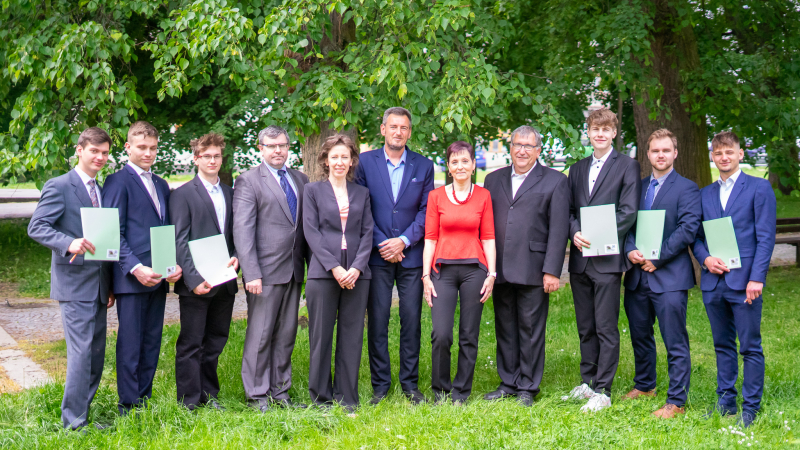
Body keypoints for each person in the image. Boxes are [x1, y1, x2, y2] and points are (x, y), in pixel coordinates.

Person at [27, 127, 114, 430]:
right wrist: (68, 243)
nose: (100, 157)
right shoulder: (60, 185)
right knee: (81, 355)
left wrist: (110, 284)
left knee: (95, 355)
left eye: (105, 153)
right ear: (80, 150)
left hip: (99, 285)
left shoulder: (100, 189)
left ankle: (82, 414)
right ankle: (73, 423)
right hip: (74, 283)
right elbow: (37, 227)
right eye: (94, 151)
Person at [693, 131, 776, 428]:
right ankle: (725, 402)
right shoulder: (704, 194)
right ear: (713, 157)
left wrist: (757, 278)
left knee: (750, 346)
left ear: (740, 154)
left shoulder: (758, 188)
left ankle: (750, 407)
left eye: (729, 152)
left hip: (745, 284)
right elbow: (697, 237)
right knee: (722, 345)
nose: (724, 157)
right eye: (718, 153)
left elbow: (765, 238)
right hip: (714, 283)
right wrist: (705, 259)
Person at [482, 126, 569, 407]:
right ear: (511, 147)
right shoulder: (492, 180)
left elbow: (559, 229)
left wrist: (552, 270)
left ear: (538, 151)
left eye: (528, 146)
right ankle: (508, 382)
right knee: (505, 327)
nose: (522, 150)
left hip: (534, 267)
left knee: (531, 329)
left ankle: (528, 387)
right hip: (501, 267)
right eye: (518, 144)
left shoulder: (555, 181)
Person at [355, 107, 435, 404]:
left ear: (409, 132)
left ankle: (410, 385)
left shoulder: (423, 166)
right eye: (393, 126)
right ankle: (380, 386)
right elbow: (360, 208)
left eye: (403, 127)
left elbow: (427, 211)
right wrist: (383, 243)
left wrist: (402, 241)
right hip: (377, 257)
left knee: (411, 320)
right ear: (383, 129)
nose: (398, 132)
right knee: (377, 321)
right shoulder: (364, 162)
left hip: (411, 256)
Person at [104, 121, 183, 415]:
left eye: (152, 148)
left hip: (159, 277)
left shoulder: (162, 184)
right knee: (131, 344)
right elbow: (114, 233)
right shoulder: (116, 182)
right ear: (128, 147)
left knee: (151, 342)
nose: (148, 153)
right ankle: (127, 405)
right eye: (141, 148)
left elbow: (164, 230)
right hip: (132, 278)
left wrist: (172, 265)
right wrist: (135, 267)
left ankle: (144, 401)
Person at [565, 108, 641, 412]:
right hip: (581, 259)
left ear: (613, 133)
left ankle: (603, 389)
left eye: (605, 129)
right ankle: (587, 381)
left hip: (608, 258)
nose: (599, 134)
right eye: (594, 129)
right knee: (585, 325)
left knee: (606, 326)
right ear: (588, 132)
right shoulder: (577, 168)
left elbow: (628, 211)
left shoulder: (627, 166)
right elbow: (569, 211)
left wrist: (598, 235)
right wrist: (575, 233)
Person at [622, 129, 701, 418]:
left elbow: (687, 229)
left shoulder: (687, 188)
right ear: (648, 153)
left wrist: (658, 257)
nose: (660, 155)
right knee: (640, 334)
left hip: (669, 276)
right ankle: (645, 385)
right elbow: (627, 225)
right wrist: (630, 250)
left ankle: (676, 401)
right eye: (655, 150)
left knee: (674, 339)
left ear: (675, 153)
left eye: (666, 150)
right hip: (637, 275)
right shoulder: (638, 186)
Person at [233, 125, 309, 412]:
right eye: (272, 146)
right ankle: (256, 395)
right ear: (261, 149)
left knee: (287, 333)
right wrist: (250, 272)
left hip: (294, 270)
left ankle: (280, 392)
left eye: (283, 145)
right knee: (261, 334)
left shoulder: (300, 179)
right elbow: (242, 230)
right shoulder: (249, 181)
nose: (278, 150)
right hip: (263, 273)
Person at [422, 141, 496, 405]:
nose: (460, 166)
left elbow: (488, 237)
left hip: (475, 271)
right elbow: (430, 238)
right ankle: (440, 391)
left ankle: (461, 392)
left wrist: (492, 274)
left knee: (469, 334)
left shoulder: (484, 196)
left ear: (473, 165)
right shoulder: (436, 197)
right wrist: (425, 276)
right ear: (449, 167)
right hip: (442, 270)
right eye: (455, 162)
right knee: (441, 334)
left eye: (465, 161)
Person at [303, 134, 374, 411]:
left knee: (352, 335)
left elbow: (368, 232)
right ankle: (321, 398)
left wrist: (356, 268)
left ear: (352, 160)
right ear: (325, 160)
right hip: (323, 272)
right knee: (320, 335)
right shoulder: (312, 191)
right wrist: (335, 267)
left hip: (358, 273)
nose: (340, 161)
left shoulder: (362, 193)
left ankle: (347, 399)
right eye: (335, 156)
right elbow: (312, 232)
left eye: (345, 156)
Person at [169, 132, 239, 411]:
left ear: (222, 159)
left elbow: (236, 235)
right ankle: (188, 401)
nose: (212, 160)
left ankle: (209, 396)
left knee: (216, 341)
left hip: (225, 280)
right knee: (191, 342)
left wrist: (237, 258)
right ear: (196, 158)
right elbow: (179, 240)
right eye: (206, 156)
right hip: (197, 282)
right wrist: (193, 279)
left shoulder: (231, 193)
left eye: (217, 156)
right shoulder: (183, 194)